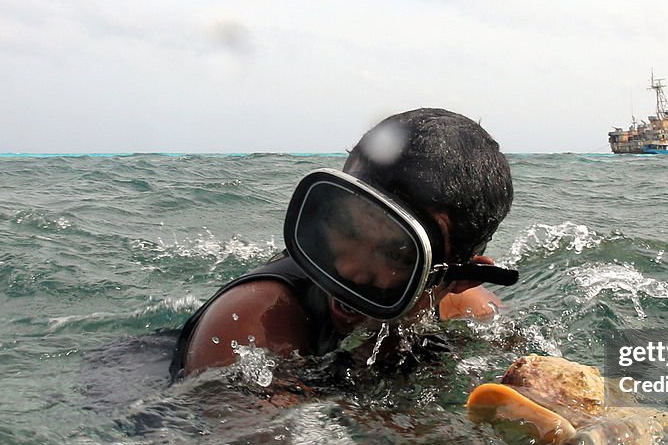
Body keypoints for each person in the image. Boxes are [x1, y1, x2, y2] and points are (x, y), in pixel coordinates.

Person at [169, 108, 516, 381]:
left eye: (396, 253)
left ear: (458, 280)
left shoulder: (471, 310)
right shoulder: (252, 319)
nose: (349, 268)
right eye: (346, 226)